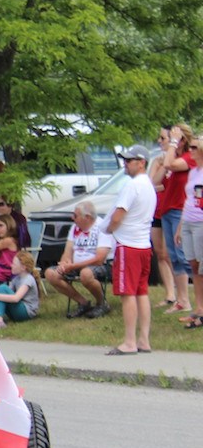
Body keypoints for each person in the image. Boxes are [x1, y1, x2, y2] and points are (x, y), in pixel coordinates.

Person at [98, 145, 156, 355]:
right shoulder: (148, 185)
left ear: (141, 163)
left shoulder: (132, 186)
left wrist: (109, 230)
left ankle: (130, 341)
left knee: (127, 293)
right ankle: (144, 340)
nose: (126, 164)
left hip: (128, 245)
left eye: (130, 161)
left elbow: (117, 215)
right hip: (143, 245)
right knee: (141, 292)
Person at [43, 201, 113, 318]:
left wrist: (73, 266)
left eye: (75, 215)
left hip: (102, 266)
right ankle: (83, 303)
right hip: (76, 266)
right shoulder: (75, 228)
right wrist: (65, 263)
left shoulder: (102, 228)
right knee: (51, 273)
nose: (72, 218)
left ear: (87, 217)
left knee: (85, 274)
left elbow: (100, 259)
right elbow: (68, 251)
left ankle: (102, 303)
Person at [152, 124, 195, 316]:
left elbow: (170, 165)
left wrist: (173, 146)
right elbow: (156, 182)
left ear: (182, 140)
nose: (165, 142)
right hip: (167, 211)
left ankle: (192, 301)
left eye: (169, 138)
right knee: (175, 257)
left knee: (184, 257)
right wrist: (162, 161)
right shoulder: (173, 158)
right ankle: (182, 300)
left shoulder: (188, 159)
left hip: (180, 211)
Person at [175, 141, 203, 328]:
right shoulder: (193, 172)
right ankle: (199, 308)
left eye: (194, 147)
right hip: (189, 220)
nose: (190, 150)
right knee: (193, 264)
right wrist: (180, 226)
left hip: (201, 222)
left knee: (202, 266)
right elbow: (188, 199)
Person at [0, 250, 42, 331]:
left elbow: (16, 298)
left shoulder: (28, 279)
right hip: (17, 310)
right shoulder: (16, 279)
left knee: (2, 288)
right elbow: (4, 294)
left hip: (26, 312)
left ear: (23, 267)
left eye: (14, 264)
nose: (11, 265)